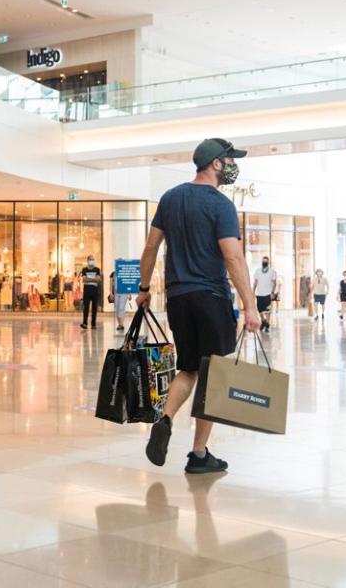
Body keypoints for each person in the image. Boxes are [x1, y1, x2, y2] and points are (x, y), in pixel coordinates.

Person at [138, 138, 260, 474]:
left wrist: (144, 288)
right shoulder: (220, 205)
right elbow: (233, 256)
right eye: (229, 160)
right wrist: (250, 305)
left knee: (189, 367)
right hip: (211, 298)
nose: (233, 165)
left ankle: (164, 420)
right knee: (215, 375)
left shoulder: (170, 198)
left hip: (178, 298)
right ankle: (199, 454)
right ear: (216, 164)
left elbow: (150, 248)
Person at [252, 257, 277, 333]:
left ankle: (267, 325)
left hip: (268, 294)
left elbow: (274, 283)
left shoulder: (272, 271)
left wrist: (272, 292)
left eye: (266, 262)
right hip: (259, 294)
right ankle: (263, 321)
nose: (264, 263)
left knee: (268, 310)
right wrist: (253, 292)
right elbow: (255, 282)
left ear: (268, 262)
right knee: (260, 310)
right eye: (263, 261)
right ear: (261, 262)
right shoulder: (258, 271)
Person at [80, 256, 102, 329]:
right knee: (86, 307)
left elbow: (98, 280)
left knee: (94, 308)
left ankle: (93, 324)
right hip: (86, 290)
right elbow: (84, 279)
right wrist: (93, 279)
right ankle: (85, 323)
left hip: (94, 290)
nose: (91, 261)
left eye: (93, 259)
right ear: (87, 261)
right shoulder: (84, 269)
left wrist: (88, 279)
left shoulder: (97, 269)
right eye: (90, 259)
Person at [109, 265, 132, 333]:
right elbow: (110, 285)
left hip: (124, 292)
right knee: (117, 308)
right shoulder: (113, 274)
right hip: (116, 293)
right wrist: (111, 293)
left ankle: (121, 324)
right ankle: (119, 324)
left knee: (121, 307)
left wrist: (129, 294)